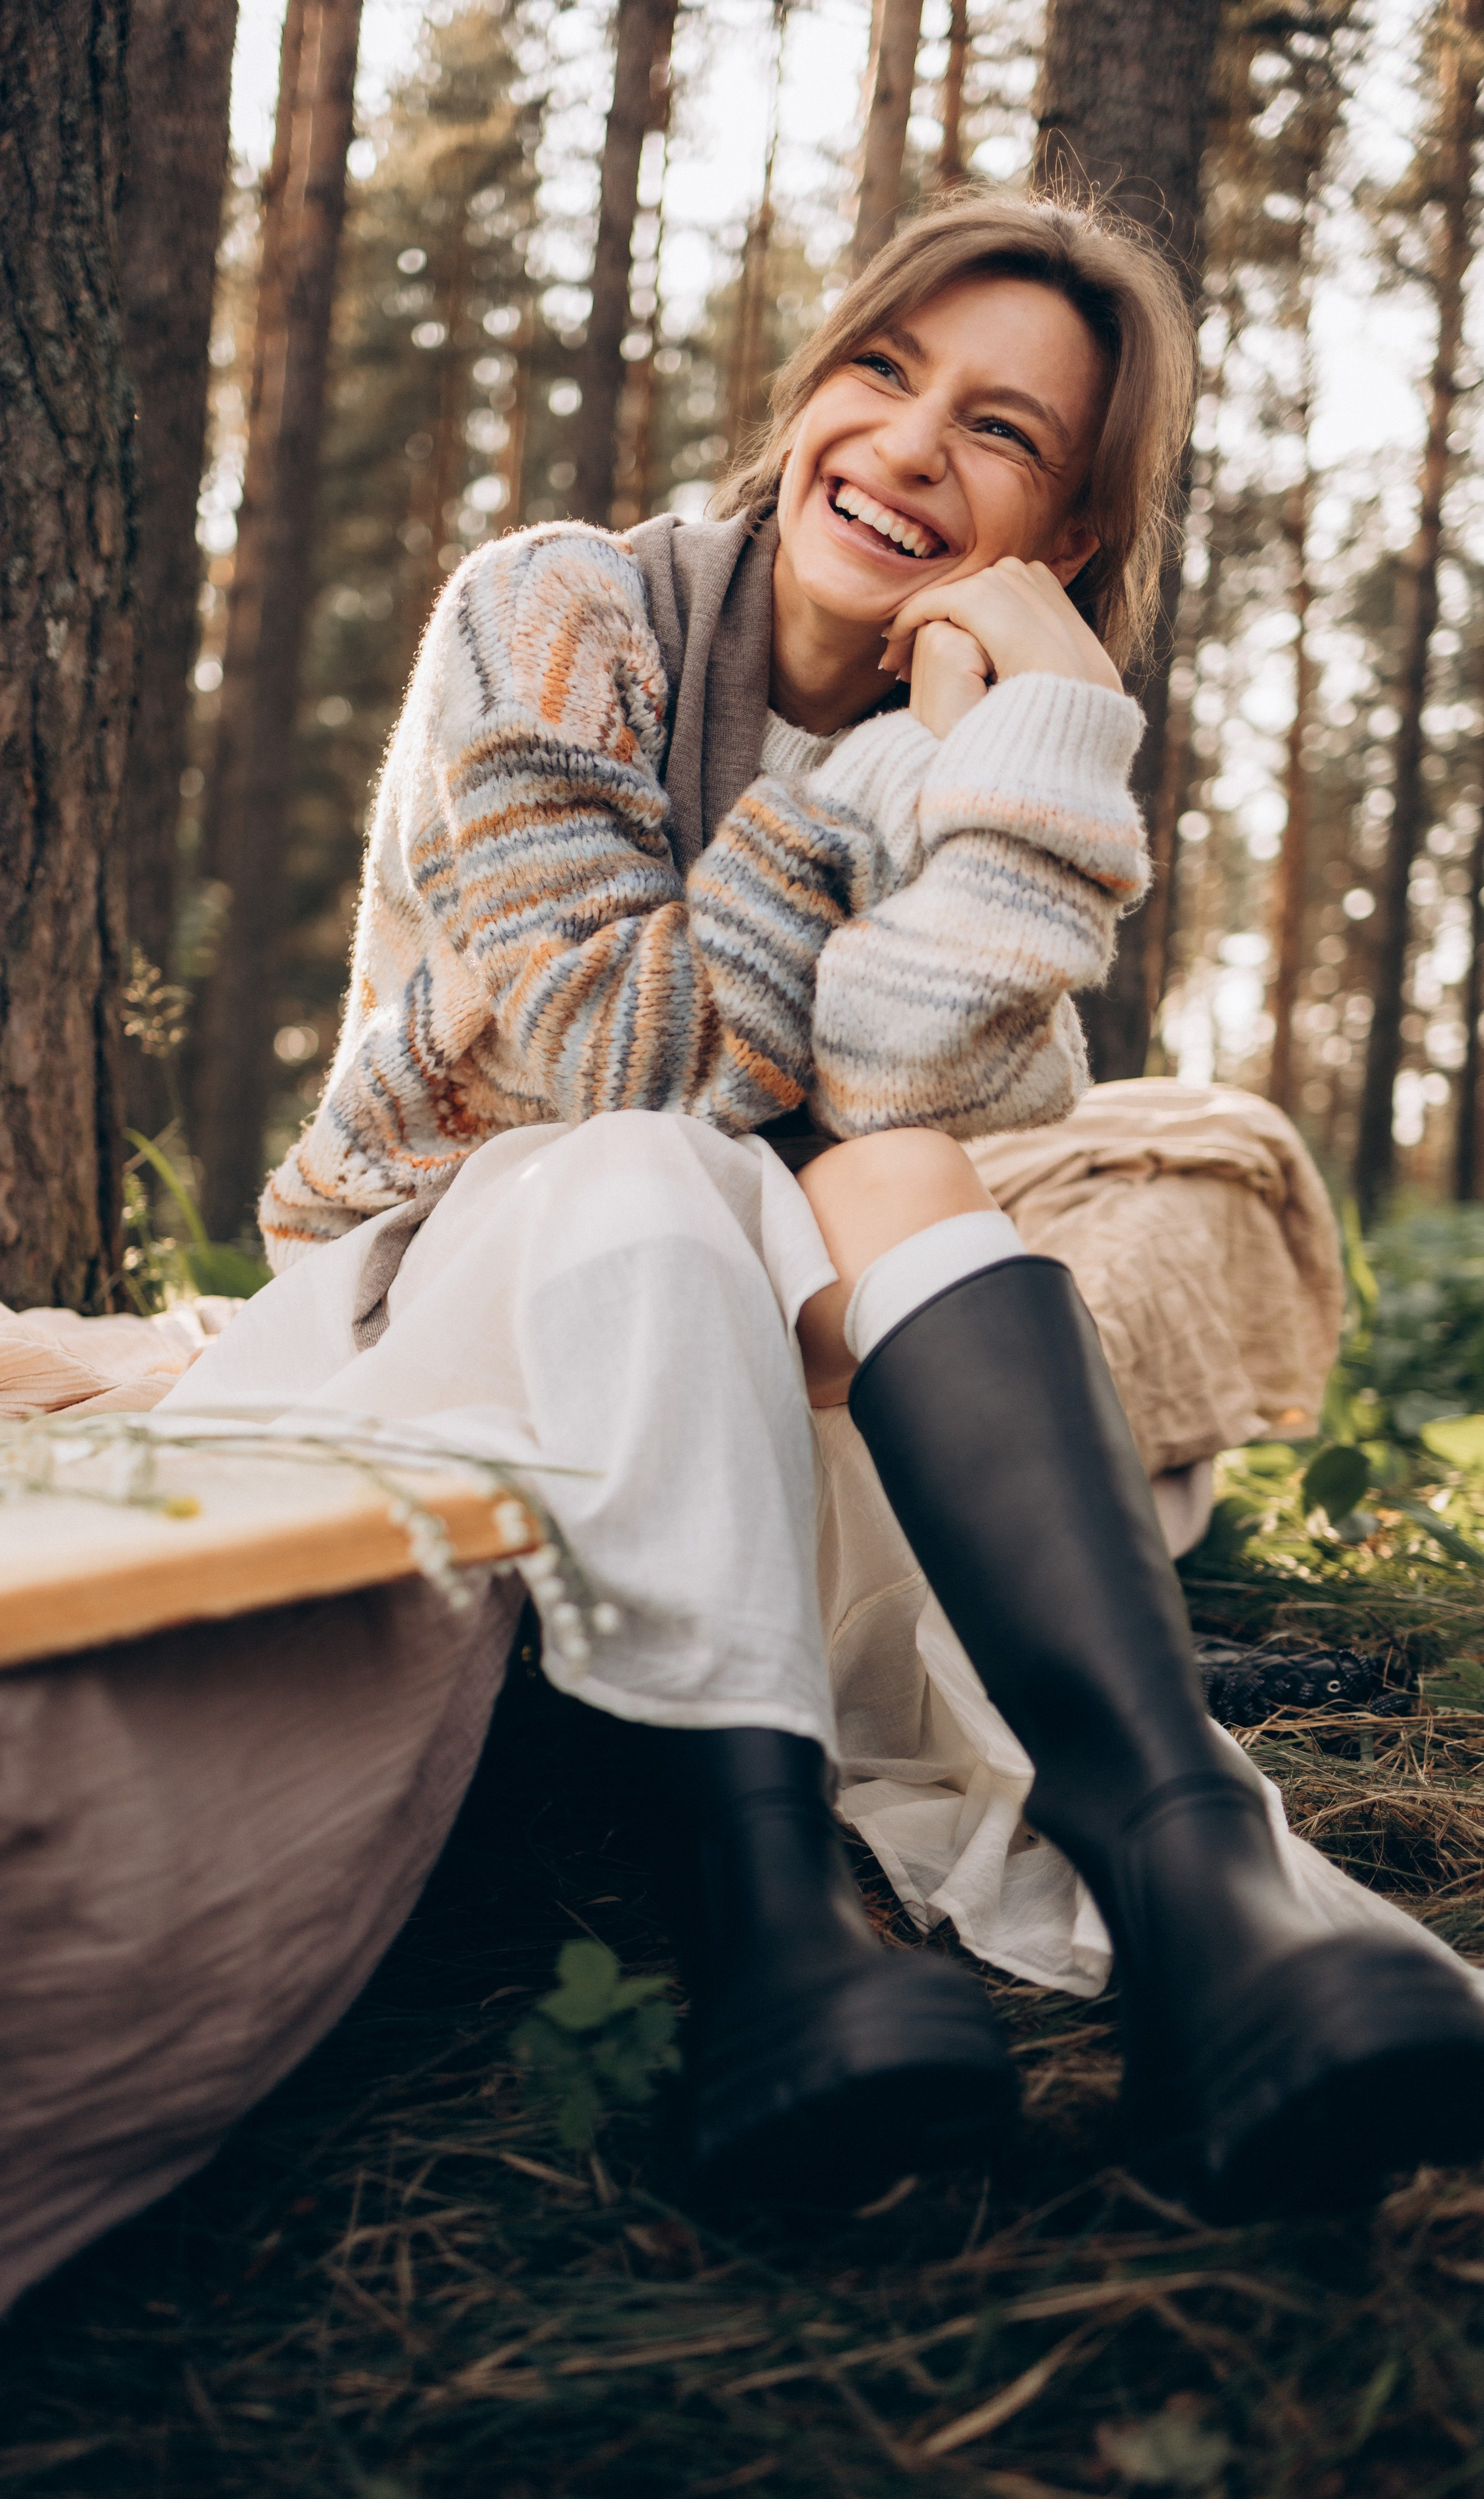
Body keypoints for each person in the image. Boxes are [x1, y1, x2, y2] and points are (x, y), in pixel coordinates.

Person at [177, 195, 1484, 2221]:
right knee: (648, 1153)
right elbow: (626, 1054)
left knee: (885, 1171)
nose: (908, 447)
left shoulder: (994, 759)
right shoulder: (558, 609)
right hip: (440, 1290)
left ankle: (1198, 1881)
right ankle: (768, 1933)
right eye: (886, 373)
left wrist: (1010, 764)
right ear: (807, 396)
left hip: (743, 1355)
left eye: (1002, 435)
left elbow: (915, 1100)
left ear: (1053, 545)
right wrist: (884, 782)